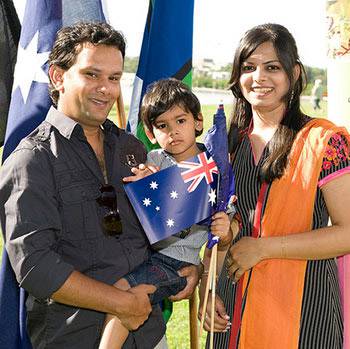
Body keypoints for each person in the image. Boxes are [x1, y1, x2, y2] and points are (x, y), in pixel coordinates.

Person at [0, 22, 200, 349]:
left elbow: (162, 235)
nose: (106, 88)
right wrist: (119, 303)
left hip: (148, 335)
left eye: (114, 78)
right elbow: (36, 266)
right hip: (74, 337)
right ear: (57, 76)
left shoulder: (132, 150)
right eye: (92, 75)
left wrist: (192, 266)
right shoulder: (31, 161)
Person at [199, 23, 350, 348]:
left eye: (272, 67)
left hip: (303, 315)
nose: (259, 78)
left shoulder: (325, 141)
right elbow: (216, 230)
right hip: (231, 315)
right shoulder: (226, 145)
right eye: (249, 67)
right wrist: (207, 291)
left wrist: (264, 248)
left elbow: (348, 231)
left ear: (294, 73)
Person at [99, 78, 238, 349]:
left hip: (177, 263)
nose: (173, 131)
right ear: (151, 134)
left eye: (180, 121)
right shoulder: (154, 162)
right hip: (145, 255)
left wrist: (225, 232)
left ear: (198, 122)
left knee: (123, 295)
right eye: (163, 126)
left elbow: (224, 233)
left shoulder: (213, 168)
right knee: (120, 296)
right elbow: (137, 212)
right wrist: (143, 184)